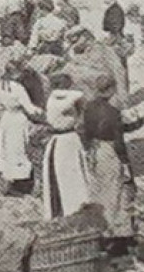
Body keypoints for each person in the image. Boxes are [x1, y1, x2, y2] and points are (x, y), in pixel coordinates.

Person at [81, 73, 137, 242]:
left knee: (98, 190)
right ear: (111, 89)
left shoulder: (88, 108)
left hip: (94, 148)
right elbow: (118, 141)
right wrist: (125, 161)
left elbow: (87, 131)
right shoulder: (113, 112)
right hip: (109, 150)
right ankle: (114, 233)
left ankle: (99, 228)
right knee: (115, 192)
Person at [40, 77, 92, 220]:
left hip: (56, 140)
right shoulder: (68, 98)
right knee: (73, 174)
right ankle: (75, 207)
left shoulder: (51, 98)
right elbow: (82, 98)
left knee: (59, 174)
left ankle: (62, 209)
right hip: (69, 139)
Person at [0, 48, 42, 194]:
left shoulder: (0, 85)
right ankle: (23, 182)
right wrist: (41, 112)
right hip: (18, 119)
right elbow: (29, 107)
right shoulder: (18, 88)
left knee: (7, 150)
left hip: (6, 119)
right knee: (19, 149)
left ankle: (8, 180)